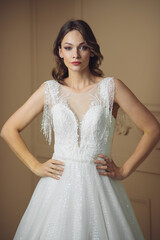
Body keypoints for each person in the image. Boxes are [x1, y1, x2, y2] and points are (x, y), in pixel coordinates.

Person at [1, 19, 160, 240]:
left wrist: (124, 170)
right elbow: (8, 129)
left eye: (83, 47)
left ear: (91, 51)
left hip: (101, 190)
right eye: (68, 47)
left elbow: (153, 129)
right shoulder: (50, 90)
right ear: (60, 52)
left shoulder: (111, 88)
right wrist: (35, 166)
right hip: (56, 190)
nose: (75, 54)